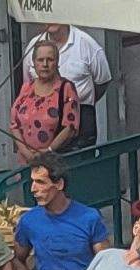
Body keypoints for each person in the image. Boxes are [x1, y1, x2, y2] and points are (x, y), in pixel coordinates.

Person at [10, 161, 108, 270]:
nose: (33, 188)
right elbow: (17, 259)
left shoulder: (89, 217)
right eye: (32, 181)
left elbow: (106, 263)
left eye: (40, 182)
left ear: (59, 184)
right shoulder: (28, 221)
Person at [8, 30, 86, 168]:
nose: (45, 64)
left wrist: (48, 151)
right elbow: (14, 124)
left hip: (54, 164)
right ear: (33, 62)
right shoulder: (26, 87)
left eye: (49, 60)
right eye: (40, 60)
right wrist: (26, 152)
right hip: (26, 163)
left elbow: (71, 127)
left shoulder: (66, 88)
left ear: (57, 62)